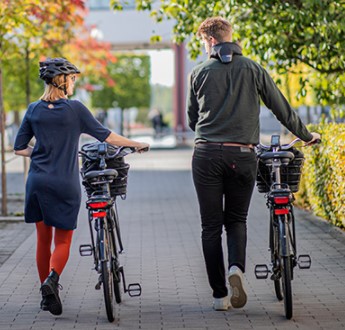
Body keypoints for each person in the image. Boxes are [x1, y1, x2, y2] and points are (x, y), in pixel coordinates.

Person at [187, 17, 321, 311]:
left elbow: (191, 119)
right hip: (242, 155)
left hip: (206, 155)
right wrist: (306, 135)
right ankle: (236, 268)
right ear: (229, 37)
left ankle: (220, 295)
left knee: (210, 227)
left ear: (210, 41)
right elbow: (280, 107)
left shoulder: (198, 72)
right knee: (236, 220)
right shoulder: (253, 68)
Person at [13, 57, 149, 316]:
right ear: (63, 81)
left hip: (37, 182)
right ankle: (52, 279)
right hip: (64, 183)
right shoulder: (75, 109)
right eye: (72, 78)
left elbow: (19, 148)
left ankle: (47, 295)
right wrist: (136, 143)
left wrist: (41, 152)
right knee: (63, 241)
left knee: (43, 240)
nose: (74, 83)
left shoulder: (33, 110)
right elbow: (107, 137)